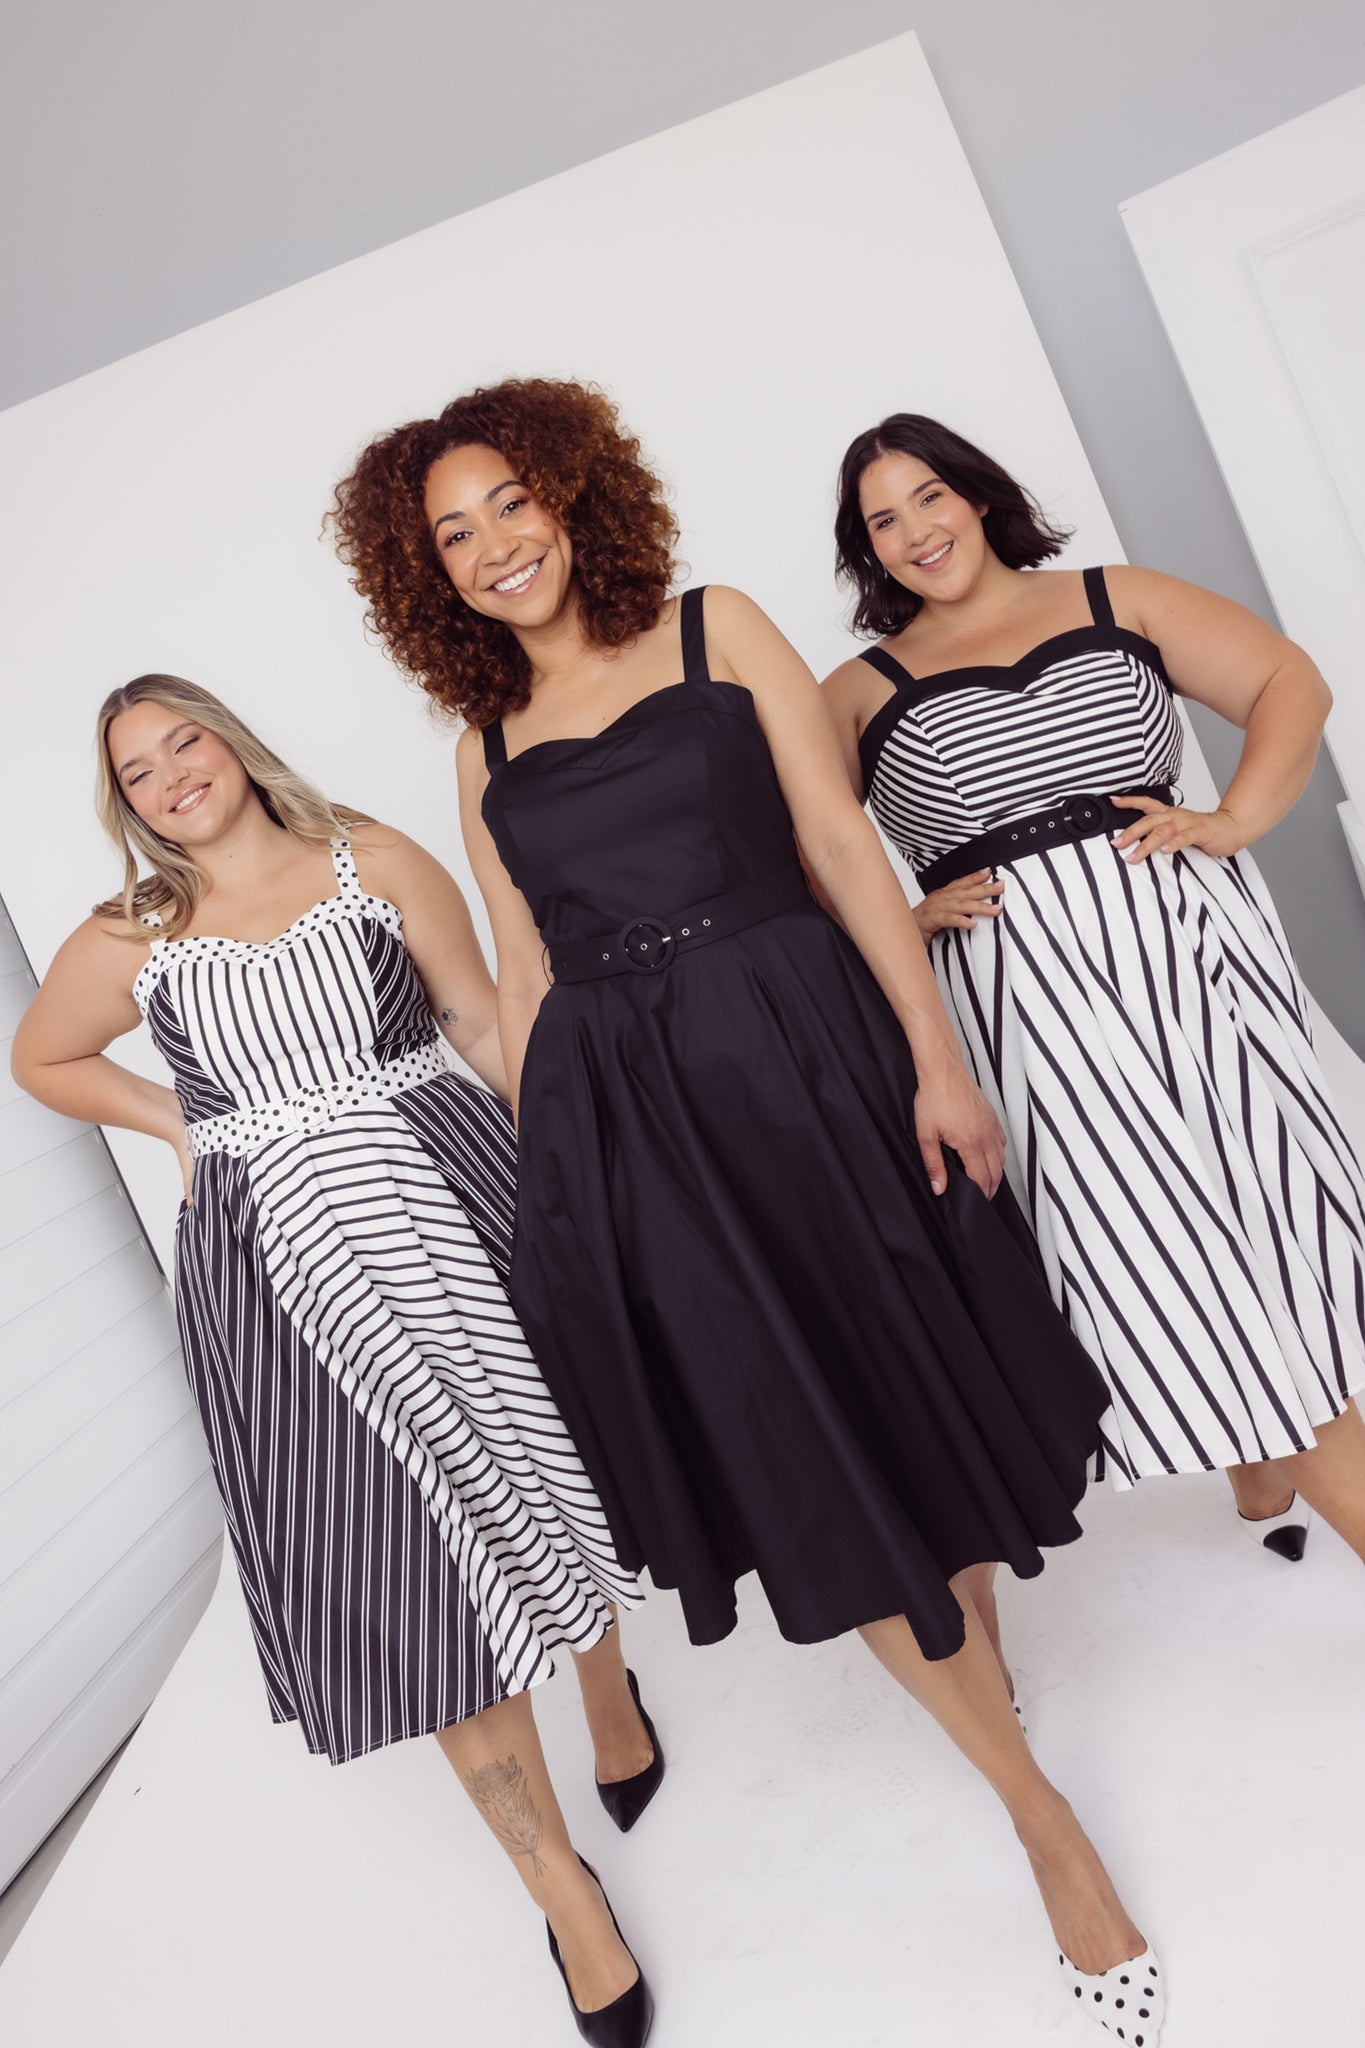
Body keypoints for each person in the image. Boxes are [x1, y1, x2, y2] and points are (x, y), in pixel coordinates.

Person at [329, 376, 1165, 2041]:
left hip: (809, 1058)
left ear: (573, 496)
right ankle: (1040, 1820)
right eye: (455, 535)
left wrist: (938, 1060)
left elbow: (845, 850)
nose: (495, 547)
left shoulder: (718, 628)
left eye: (512, 504)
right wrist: (555, 1191)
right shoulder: (482, 746)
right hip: (636, 1126)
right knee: (803, 1455)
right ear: (428, 576)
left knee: (907, 1392)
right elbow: (525, 980)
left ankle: (979, 1666)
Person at [11, 676, 661, 2048]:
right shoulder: (132, 931)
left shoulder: (373, 858)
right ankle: (560, 1889)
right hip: (279, 1276)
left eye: (184, 740)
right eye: (137, 772)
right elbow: (42, 1055)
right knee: (406, 1567)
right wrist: (176, 1121)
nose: (171, 776)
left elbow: (479, 1021)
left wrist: (577, 1170)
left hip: (456, 1206)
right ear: (124, 804)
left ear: (232, 742)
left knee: (545, 1470)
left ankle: (608, 1687)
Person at [822, 411, 1365, 1572]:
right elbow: (785, 859)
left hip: (1193, 952)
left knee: (1268, 1202)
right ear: (868, 550)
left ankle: (1263, 1464)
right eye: (884, 520)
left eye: (930, 496)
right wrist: (898, 919)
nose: (916, 530)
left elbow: (1289, 679)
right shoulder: (856, 690)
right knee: (1159, 1233)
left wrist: (1234, 818)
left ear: (976, 494)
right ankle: (1282, 1441)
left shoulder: (1117, 596)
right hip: (1027, 999)